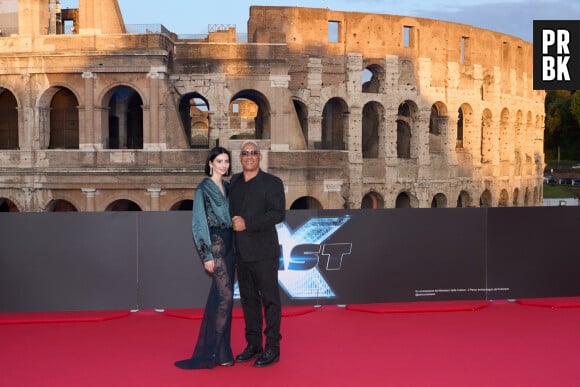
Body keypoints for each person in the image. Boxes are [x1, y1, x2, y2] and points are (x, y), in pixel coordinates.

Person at [174, 146, 236, 370]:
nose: (223, 165)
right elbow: (198, 224)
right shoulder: (203, 188)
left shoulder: (229, 187)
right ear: (210, 163)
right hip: (216, 245)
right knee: (226, 297)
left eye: (226, 161)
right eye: (219, 161)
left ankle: (223, 351)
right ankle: (211, 351)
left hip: (232, 246)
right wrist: (206, 255)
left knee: (221, 300)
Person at [229, 140, 286, 368]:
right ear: (240, 157)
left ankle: (273, 348)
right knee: (248, 301)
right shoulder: (234, 182)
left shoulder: (272, 183)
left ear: (259, 157)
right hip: (241, 253)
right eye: (245, 153)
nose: (249, 157)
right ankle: (253, 344)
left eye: (253, 153)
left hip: (264, 252)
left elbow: (277, 214)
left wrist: (248, 224)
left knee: (270, 301)